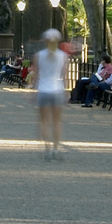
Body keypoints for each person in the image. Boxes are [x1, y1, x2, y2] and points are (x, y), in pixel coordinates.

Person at [32, 28, 70, 158]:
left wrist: (32, 91)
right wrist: (66, 91)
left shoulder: (38, 55)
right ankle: (56, 148)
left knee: (44, 121)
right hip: (57, 89)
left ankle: (47, 149)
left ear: (45, 41)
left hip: (43, 89)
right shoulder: (63, 56)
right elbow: (64, 76)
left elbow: (36, 75)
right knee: (57, 121)